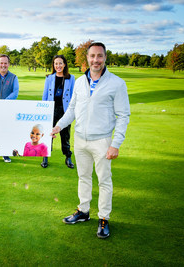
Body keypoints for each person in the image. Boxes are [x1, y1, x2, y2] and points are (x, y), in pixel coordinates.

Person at [51, 42, 130, 239]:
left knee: (104, 180)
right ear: (86, 58)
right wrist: (59, 126)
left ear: (105, 57)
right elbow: (72, 110)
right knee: (83, 177)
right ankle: (83, 211)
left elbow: (123, 115)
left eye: (100, 56)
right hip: (80, 140)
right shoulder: (79, 82)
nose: (96, 60)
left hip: (102, 141)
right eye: (92, 56)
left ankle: (103, 218)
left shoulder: (117, 83)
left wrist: (115, 144)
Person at [42, 55, 75, 169]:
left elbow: (72, 96)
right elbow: (45, 95)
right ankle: (45, 157)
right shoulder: (49, 78)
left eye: (60, 63)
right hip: (51, 109)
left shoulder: (71, 78)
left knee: (65, 135)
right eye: (56, 63)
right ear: (53, 65)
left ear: (64, 64)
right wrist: (43, 109)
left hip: (65, 110)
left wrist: (71, 111)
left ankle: (68, 157)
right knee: (48, 133)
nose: (58, 66)